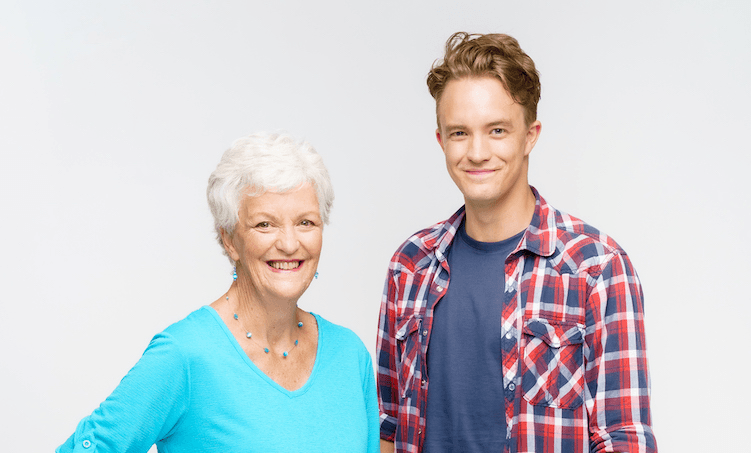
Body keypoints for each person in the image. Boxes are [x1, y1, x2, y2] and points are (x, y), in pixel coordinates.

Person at [376, 32, 657, 453]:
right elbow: (388, 426)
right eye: (459, 133)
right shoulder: (410, 266)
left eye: (497, 130)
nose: (477, 152)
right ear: (441, 140)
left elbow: (624, 439)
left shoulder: (596, 268)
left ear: (530, 135)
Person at [58, 133, 379, 452]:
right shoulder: (185, 355)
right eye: (265, 224)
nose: (289, 243)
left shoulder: (350, 356)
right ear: (229, 240)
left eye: (306, 222)